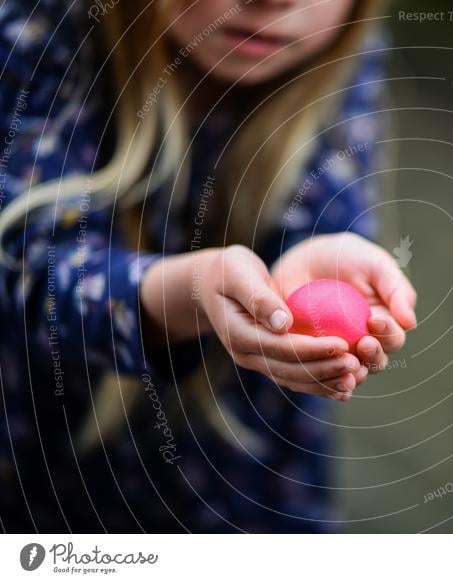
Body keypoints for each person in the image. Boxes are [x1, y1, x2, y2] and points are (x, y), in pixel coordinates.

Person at [0, 0, 417, 532]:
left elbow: (329, 194)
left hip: (235, 483)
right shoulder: (44, 28)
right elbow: (27, 265)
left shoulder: (342, 53)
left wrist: (335, 250)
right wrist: (179, 293)